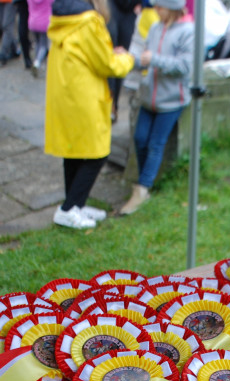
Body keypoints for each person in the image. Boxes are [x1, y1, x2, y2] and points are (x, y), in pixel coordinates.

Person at [44, 0, 134, 229]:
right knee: (97, 154)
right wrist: (127, 58)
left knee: (73, 150)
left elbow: (90, 53)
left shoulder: (64, 17)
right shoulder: (89, 21)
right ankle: (68, 209)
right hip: (84, 96)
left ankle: (75, 206)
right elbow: (107, 64)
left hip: (66, 93)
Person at [118, 0, 194, 216]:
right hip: (148, 98)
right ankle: (145, 183)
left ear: (171, 7)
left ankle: (142, 190)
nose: (155, 10)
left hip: (171, 101)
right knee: (140, 139)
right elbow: (144, 59)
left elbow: (185, 66)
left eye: (159, 7)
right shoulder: (155, 27)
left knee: (155, 144)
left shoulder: (188, 31)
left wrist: (155, 59)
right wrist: (126, 57)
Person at [106, 0, 138, 121]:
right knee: (111, 53)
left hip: (130, 9)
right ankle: (110, 104)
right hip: (112, 6)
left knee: (122, 53)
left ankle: (115, 103)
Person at [28, 0, 51, 75]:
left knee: (37, 43)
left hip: (33, 22)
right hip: (44, 23)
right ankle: (37, 63)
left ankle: (36, 60)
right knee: (43, 45)